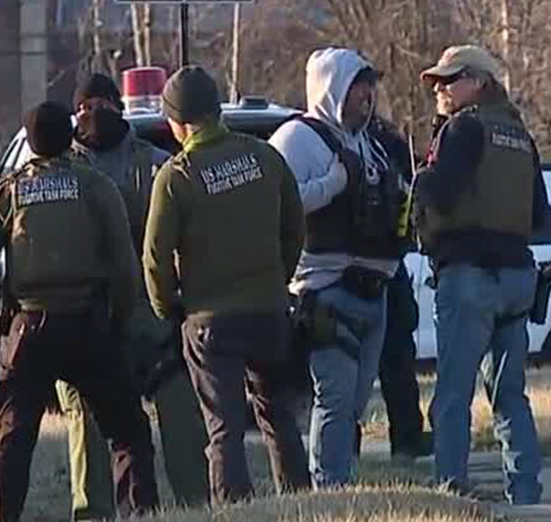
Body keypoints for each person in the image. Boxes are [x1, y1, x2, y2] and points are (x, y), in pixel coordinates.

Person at [0, 102, 159, 522]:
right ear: (69, 138)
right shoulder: (95, 185)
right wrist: (119, 324)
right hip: (87, 324)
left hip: (28, 329)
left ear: (30, 142)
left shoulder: (8, 192)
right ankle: (140, 514)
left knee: (11, 444)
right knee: (129, 434)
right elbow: (125, 268)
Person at [141, 65, 312, 504]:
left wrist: (169, 308)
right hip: (270, 312)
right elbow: (295, 226)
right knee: (279, 416)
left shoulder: (177, 176)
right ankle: (299, 503)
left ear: (176, 123)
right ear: (218, 111)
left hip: (209, 320)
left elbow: (155, 258)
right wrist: (279, 277)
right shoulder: (264, 156)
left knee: (224, 429)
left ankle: (235, 509)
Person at [56, 73, 208, 518]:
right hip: (86, 316)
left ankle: (194, 508)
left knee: (180, 415)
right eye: (85, 107)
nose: (94, 114)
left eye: (103, 103)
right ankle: (93, 513)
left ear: (119, 108)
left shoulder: (159, 164)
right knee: (85, 424)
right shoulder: (62, 170)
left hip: (154, 316)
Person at [268, 48, 407, 488]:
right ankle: (328, 490)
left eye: (370, 86)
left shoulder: (369, 143)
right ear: (333, 88)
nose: (367, 96)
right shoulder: (295, 138)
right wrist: (334, 183)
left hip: (375, 291)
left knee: (355, 403)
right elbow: (281, 203)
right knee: (335, 397)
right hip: (326, 291)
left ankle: (339, 480)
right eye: (358, 85)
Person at [414, 45, 547, 506]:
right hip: (517, 278)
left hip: (470, 275)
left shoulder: (463, 128)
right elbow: (541, 213)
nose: (440, 89)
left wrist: (417, 178)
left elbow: (439, 191)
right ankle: (526, 494)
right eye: (437, 81)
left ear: (480, 82)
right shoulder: (519, 134)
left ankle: (451, 492)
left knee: (452, 395)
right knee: (511, 396)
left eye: (451, 79)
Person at [369, 114, 434, 462]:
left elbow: (412, 195)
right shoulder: (323, 138)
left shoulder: (387, 143)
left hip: (391, 265)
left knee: (397, 357)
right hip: (348, 264)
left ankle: (408, 437)